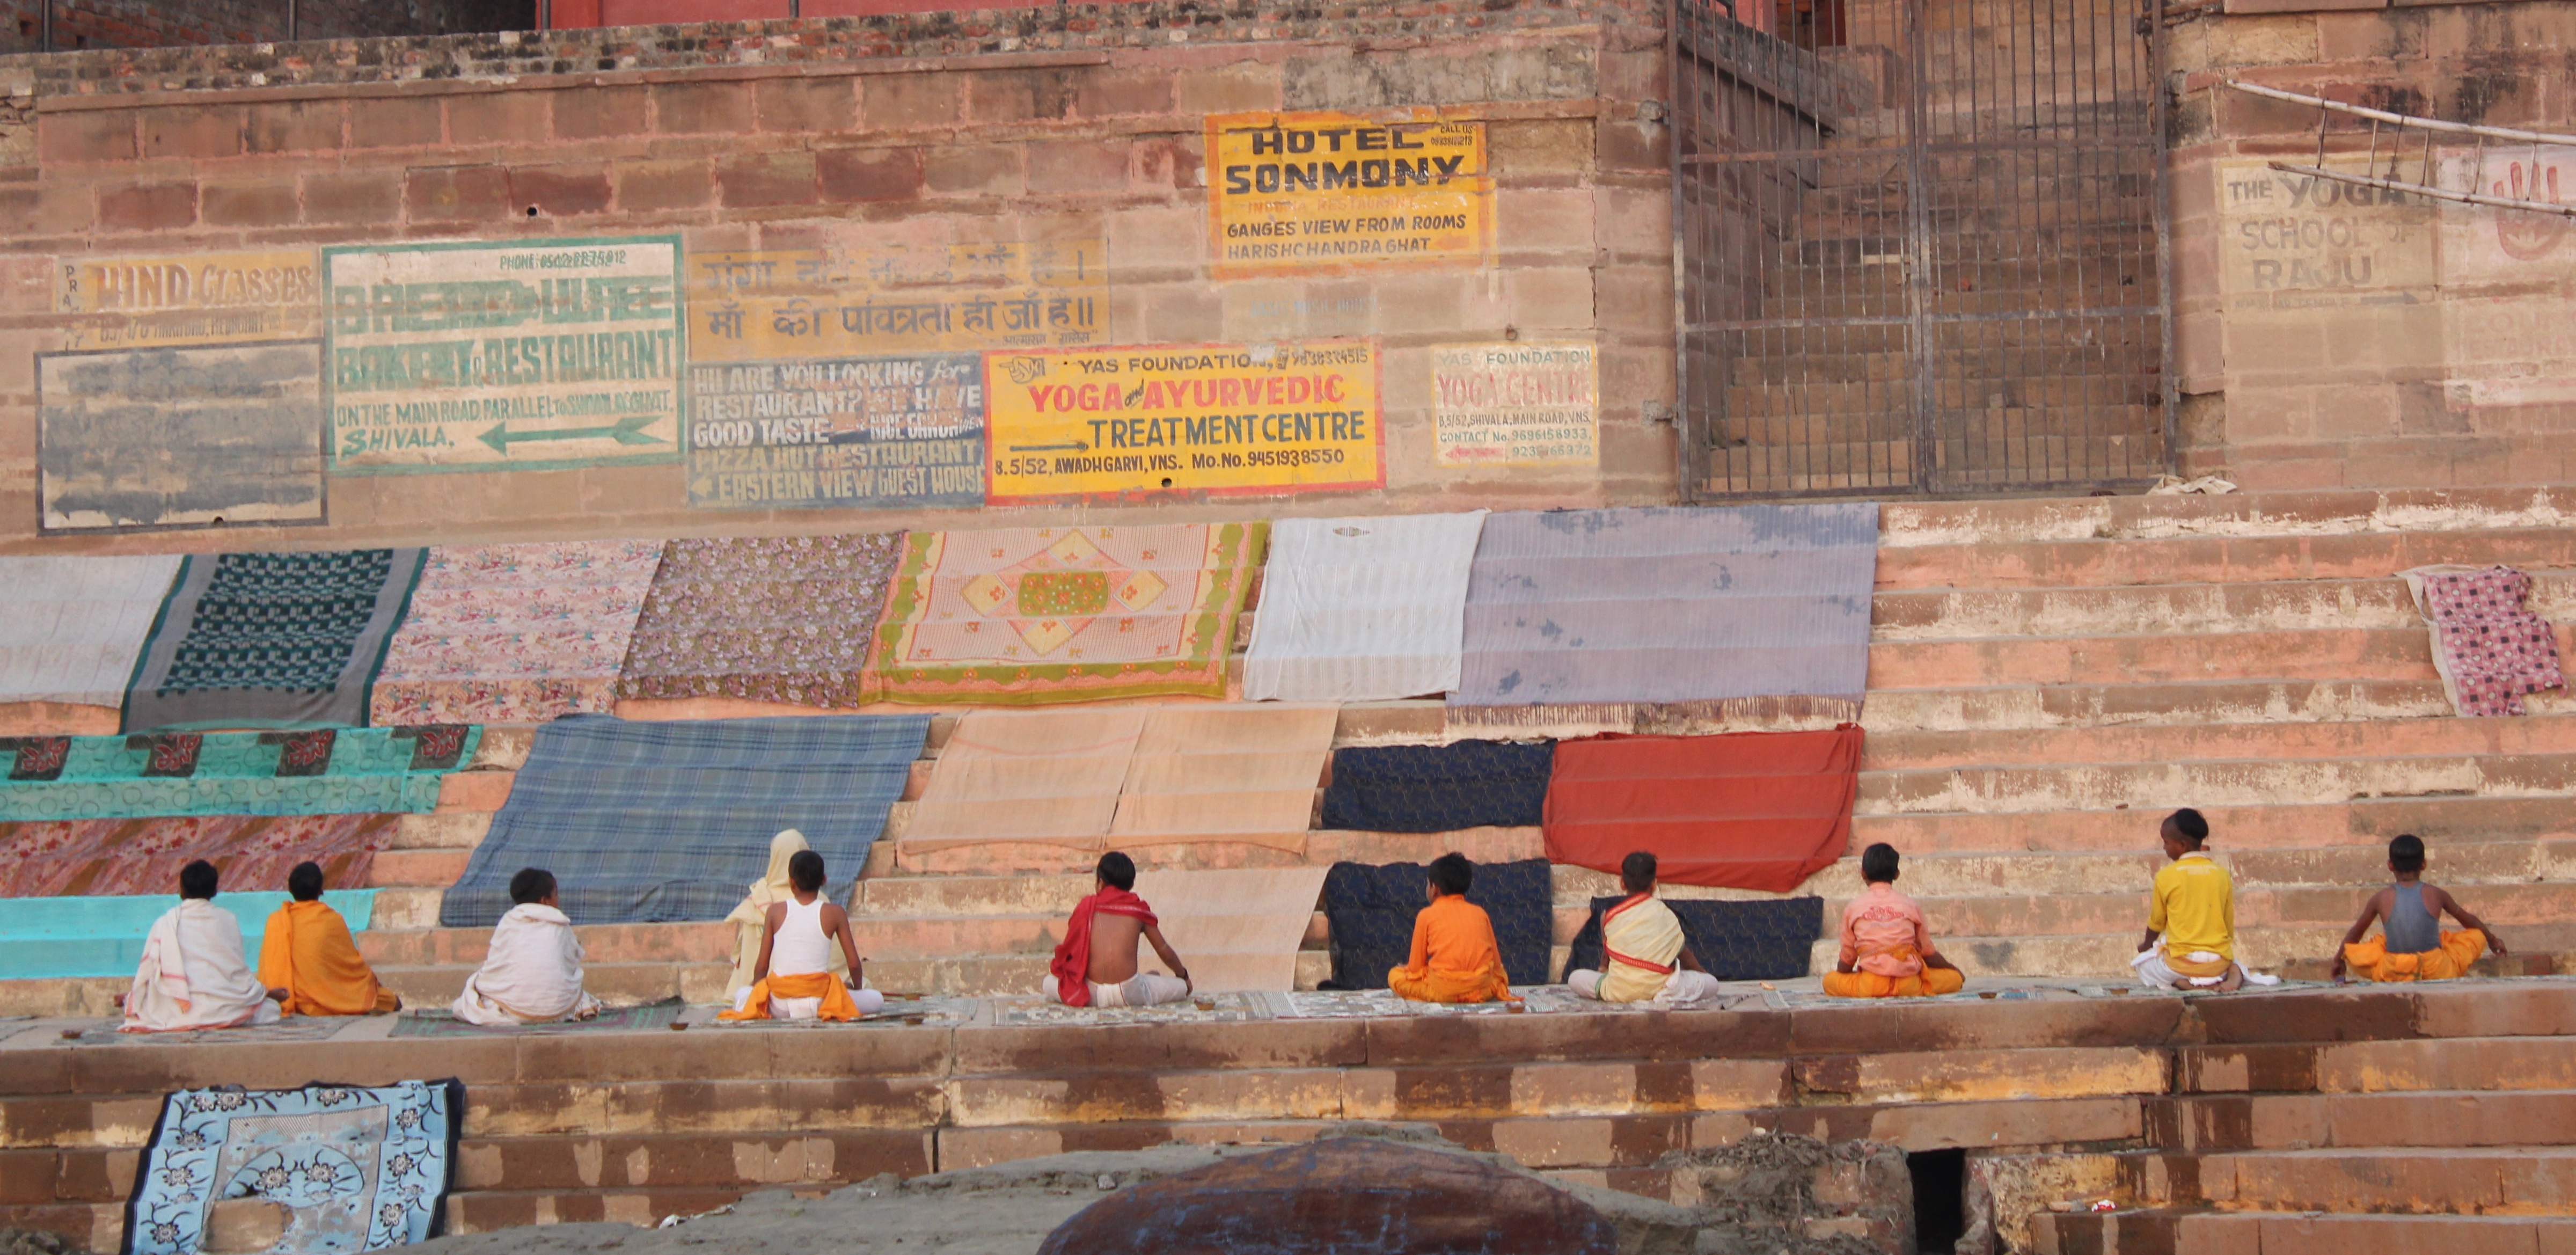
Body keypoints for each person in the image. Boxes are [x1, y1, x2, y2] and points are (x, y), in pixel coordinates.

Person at [719, 850, 884, 1021]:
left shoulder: (775, 912)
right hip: (820, 1001)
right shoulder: (835, 913)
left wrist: (756, 993)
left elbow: (762, 966)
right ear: (824, 880)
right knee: (876, 999)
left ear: (792, 883)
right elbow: (854, 965)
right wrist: (857, 989)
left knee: (742, 993)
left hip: (779, 1004)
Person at [121, 859, 284, 1033]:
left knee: (152, 1008)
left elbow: (149, 972)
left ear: (182, 890)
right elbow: (237, 973)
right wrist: (265, 993)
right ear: (215, 890)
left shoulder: (164, 922)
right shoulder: (227, 919)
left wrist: (135, 996)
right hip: (224, 1005)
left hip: (180, 1008)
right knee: (271, 1009)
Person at [2134, 808, 2275, 991]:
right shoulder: (2222, 874)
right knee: (2231, 962)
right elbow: (2228, 927)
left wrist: (2146, 946)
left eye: (2166, 842)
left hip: (2181, 964)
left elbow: (2157, 923)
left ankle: (2186, 983)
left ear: (2183, 845)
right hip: (2217, 963)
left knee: (2142, 966)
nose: (2164, 847)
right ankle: (2231, 974)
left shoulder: (2165, 876)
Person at [2332, 834, 2504, 982]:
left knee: (2364, 948)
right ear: (2424, 865)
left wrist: (2339, 960)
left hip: (2395, 970)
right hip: (2435, 969)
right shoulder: (2437, 894)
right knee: (2477, 935)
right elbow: (2469, 921)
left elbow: (2355, 934)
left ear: (2390, 865)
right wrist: (2492, 940)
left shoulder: (2380, 898)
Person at [1565, 851, 1722, 1006]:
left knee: (1576, 978)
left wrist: (1603, 970)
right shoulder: (1666, 914)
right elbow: (1684, 956)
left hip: (1619, 990)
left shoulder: (1609, 915)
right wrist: (1702, 974)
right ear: (1654, 884)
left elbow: (1607, 956)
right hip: (1662, 989)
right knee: (1712, 984)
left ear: (1622, 883)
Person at [451, 868, 602, 1025]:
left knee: (467, 1000)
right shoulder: (560, 924)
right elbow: (571, 964)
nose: (558, 899)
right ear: (545, 901)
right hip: (557, 1010)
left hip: (512, 1010)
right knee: (581, 995)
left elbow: (495, 967)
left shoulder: (508, 921)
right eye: (556, 894)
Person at [1045, 851, 1192, 1008]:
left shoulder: (1085, 907)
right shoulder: (1137, 909)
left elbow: (1069, 954)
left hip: (1092, 995)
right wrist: (1183, 976)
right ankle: (1148, 980)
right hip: (1130, 994)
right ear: (1131, 885)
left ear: (1100, 882)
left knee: (1048, 983)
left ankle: (1146, 980)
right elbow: (1164, 951)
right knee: (1180, 987)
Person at [1821, 843, 1966, 998]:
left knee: (1829, 980)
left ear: (1863, 873)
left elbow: (1848, 960)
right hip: (1909, 984)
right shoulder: (1911, 905)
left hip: (1870, 986)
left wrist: (1844, 975)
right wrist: (1953, 970)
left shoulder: (1853, 908)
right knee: (1954, 979)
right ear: (1897, 874)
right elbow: (1928, 954)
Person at [258, 861, 399, 1016]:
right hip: (333, 998)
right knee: (392, 1002)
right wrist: (375, 985)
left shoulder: (276, 921)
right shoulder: (331, 920)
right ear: (321, 890)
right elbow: (352, 966)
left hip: (287, 1000)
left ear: (290, 889)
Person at [724, 830, 845, 998]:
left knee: (743, 996)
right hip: (817, 991)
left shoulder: (757, 901)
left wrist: (757, 994)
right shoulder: (821, 902)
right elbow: (838, 960)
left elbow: (755, 964)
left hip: (773, 993)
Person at [1389, 852, 1520, 1004]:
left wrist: (1411, 970)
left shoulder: (1425, 915)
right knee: (1499, 976)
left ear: (1434, 888)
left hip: (1445, 992)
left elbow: (1415, 969)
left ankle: (1456, 996)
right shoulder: (1480, 913)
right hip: (1482, 989)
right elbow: (1497, 966)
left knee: (1395, 975)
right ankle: (1469, 994)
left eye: (1427, 884)